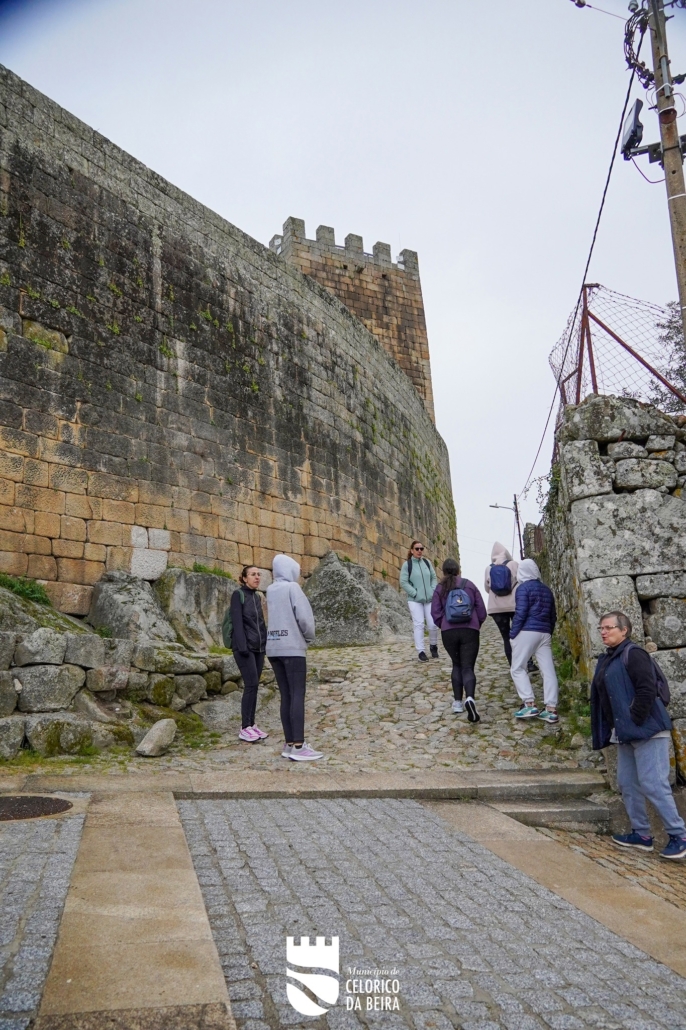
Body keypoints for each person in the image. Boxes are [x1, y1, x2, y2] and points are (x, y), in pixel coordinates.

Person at [591, 610, 686, 860]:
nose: (603, 632)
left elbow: (646, 689)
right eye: (601, 628)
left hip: (648, 731)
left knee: (653, 784)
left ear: (624, 630)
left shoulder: (634, 654)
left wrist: (634, 719)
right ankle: (642, 835)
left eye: (609, 627)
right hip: (625, 733)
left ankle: (680, 836)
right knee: (628, 783)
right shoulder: (608, 658)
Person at [266, 553, 323, 761]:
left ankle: (289, 743)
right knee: (297, 694)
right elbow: (305, 618)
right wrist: (308, 638)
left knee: (286, 696)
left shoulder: (270, 590)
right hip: (292, 648)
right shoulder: (293, 588)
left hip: (274, 648)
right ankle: (299, 746)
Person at [431, 558, 487, 722]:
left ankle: (457, 702)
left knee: (456, 664)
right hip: (470, 630)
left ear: (443, 572)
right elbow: (481, 611)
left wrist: (444, 624)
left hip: (449, 632)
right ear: (458, 571)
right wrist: (476, 624)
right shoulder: (469, 585)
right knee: (468, 667)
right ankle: (470, 698)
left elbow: (435, 612)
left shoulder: (440, 588)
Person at [509, 558, 559, 723]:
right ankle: (551, 708)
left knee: (517, 668)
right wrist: (548, 632)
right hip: (544, 632)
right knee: (548, 671)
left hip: (527, 631)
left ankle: (529, 703)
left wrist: (513, 633)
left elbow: (521, 613)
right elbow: (553, 615)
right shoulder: (546, 589)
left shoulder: (522, 588)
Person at [230, 565, 269, 743]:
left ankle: (252, 724)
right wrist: (242, 647)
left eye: (259, 574)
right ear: (244, 578)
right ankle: (245, 727)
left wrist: (265, 644)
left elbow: (261, 623)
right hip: (244, 649)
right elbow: (237, 622)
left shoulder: (257, 597)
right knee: (251, 684)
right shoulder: (238, 595)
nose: (257, 577)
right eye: (253, 574)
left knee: (254, 685)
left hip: (258, 648)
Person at [400, 540, 439, 662]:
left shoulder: (427, 563)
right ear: (412, 550)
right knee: (419, 624)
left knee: (433, 624)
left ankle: (433, 645)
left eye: (421, 548)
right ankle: (421, 651)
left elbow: (433, 578)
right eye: (417, 549)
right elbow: (403, 582)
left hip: (429, 599)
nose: (419, 551)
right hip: (415, 600)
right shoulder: (407, 565)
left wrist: (432, 590)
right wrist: (415, 593)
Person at [484, 542, 519, 666]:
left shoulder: (489, 568)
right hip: (514, 606)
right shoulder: (514, 564)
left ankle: (513, 666)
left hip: (496, 608)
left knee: (506, 637)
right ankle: (528, 662)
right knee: (519, 635)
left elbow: (487, 588)